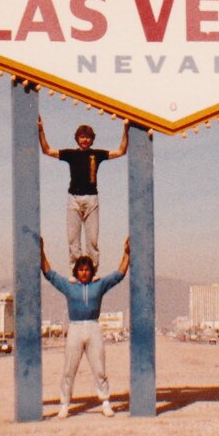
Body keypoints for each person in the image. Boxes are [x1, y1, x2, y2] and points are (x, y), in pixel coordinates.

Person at [40, 236, 130, 419]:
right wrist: (41, 251)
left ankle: (105, 402)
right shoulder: (68, 285)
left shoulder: (99, 285)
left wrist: (127, 254)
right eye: (80, 270)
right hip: (74, 328)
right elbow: (49, 273)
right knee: (68, 369)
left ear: (91, 271)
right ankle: (65, 404)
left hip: (93, 328)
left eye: (86, 270)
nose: (83, 273)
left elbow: (119, 274)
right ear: (76, 271)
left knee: (99, 368)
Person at [38, 116, 129, 270]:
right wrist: (41, 130)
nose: (85, 140)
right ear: (77, 139)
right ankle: (76, 270)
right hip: (73, 199)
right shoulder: (71, 154)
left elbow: (121, 151)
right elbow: (47, 150)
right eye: (82, 137)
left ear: (92, 140)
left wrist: (125, 130)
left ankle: (92, 269)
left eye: (88, 137)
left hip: (92, 199)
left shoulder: (97, 155)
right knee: (73, 239)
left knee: (92, 239)